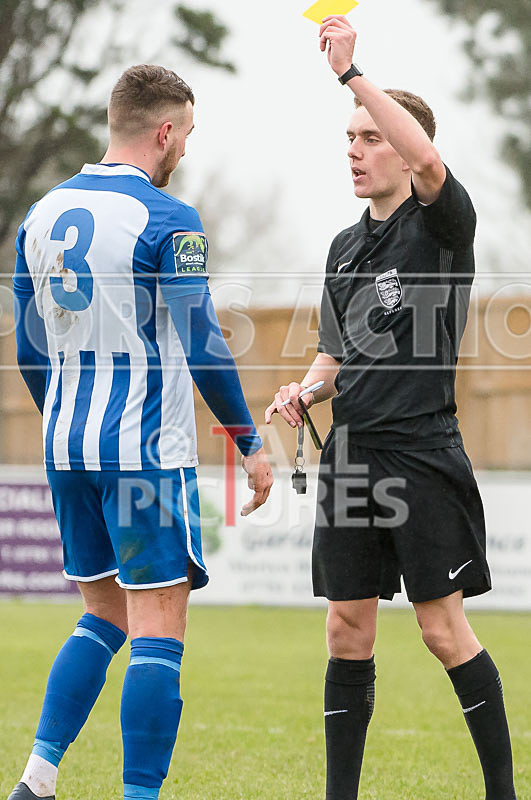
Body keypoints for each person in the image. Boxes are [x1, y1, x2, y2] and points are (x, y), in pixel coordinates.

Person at [266, 17, 517, 800]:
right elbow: (335, 358)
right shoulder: (343, 248)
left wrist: (350, 74)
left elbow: (431, 159)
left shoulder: (442, 227)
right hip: (351, 456)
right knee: (346, 629)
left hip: (420, 453)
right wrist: (302, 389)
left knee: (442, 632)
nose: (353, 148)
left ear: (404, 151)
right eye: (348, 137)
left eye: (370, 136)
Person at [10, 64, 273, 800]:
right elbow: (202, 339)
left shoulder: (42, 214)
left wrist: (65, 412)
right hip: (143, 450)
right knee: (158, 626)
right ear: (164, 132)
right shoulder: (167, 219)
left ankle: (37, 778)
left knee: (101, 614)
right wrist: (249, 443)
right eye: (186, 132)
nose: (186, 147)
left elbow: (29, 349)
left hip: (66, 446)